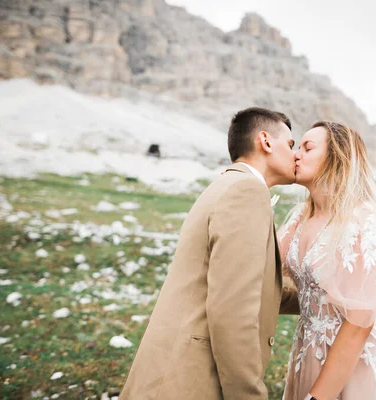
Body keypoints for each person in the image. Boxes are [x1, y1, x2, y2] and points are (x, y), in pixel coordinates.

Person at [120, 107, 300, 400]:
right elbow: (233, 308)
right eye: (290, 145)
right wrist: (248, 395)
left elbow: (246, 286)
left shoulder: (229, 184)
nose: (296, 155)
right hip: (190, 379)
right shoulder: (246, 192)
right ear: (265, 141)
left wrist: (320, 299)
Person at [278, 121, 376, 400]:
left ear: (336, 157)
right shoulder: (298, 218)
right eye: (297, 147)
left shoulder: (362, 220)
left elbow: (359, 324)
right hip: (309, 352)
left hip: (358, 361)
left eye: (308, 147)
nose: (296, 154)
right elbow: (262, 272)